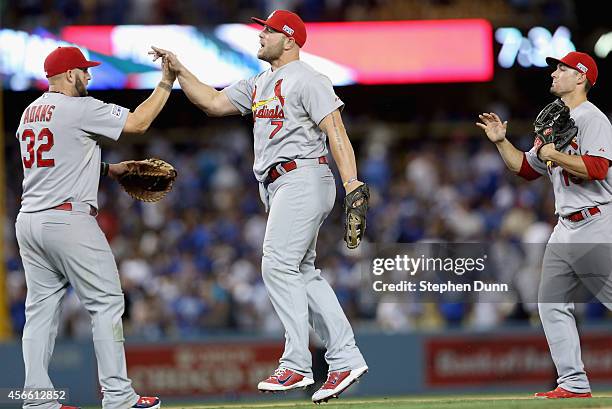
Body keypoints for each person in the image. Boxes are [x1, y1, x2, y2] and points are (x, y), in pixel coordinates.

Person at [150, 9, 368, 404]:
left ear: (289, 39)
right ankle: (345, 358)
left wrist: (352, 182)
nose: (260, 35)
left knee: (276, 261)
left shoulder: (307, 78)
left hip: (303, 174)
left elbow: (335, 129)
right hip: (280, 183)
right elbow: (214, 103)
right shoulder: (261, 81)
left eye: (268, 30)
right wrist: (180, 70)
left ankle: (297, 363)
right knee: (302, 272)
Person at [15, 46, 174, 409]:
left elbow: (58, 159)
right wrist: (165, 83)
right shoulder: (79, 107)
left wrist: (110, 169)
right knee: (106, 303)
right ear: (70, 74)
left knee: (40, 312)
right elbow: (138, 123)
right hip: (68, 220)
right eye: (84, 71)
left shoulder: (29, 112)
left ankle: (37, 400)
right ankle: (119, 396)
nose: (89, 77)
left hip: (30, 220)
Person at [477, 51, 612, 399]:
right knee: (550, 304)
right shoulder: (555, 121)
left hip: (597, 220)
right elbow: (525, 168)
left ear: (580, 77)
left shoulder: (592, 119)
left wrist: (555, 154)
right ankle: (573, 382)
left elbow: (597, 168)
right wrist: (501, 142)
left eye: (562, 69)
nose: (554, 73)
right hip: (565, 226)